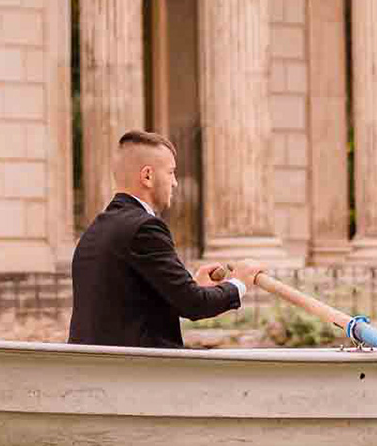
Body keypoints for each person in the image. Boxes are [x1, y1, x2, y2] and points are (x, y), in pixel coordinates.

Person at [68, 130, 265, 348]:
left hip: (98, 370)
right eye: (171, 172)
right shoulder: (145, 228)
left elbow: (132, 305)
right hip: (137, 376)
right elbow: (194, 305)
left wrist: (194, 287)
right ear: (147, 176)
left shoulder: (94, 231)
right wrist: (239, 283)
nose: (175, 183)